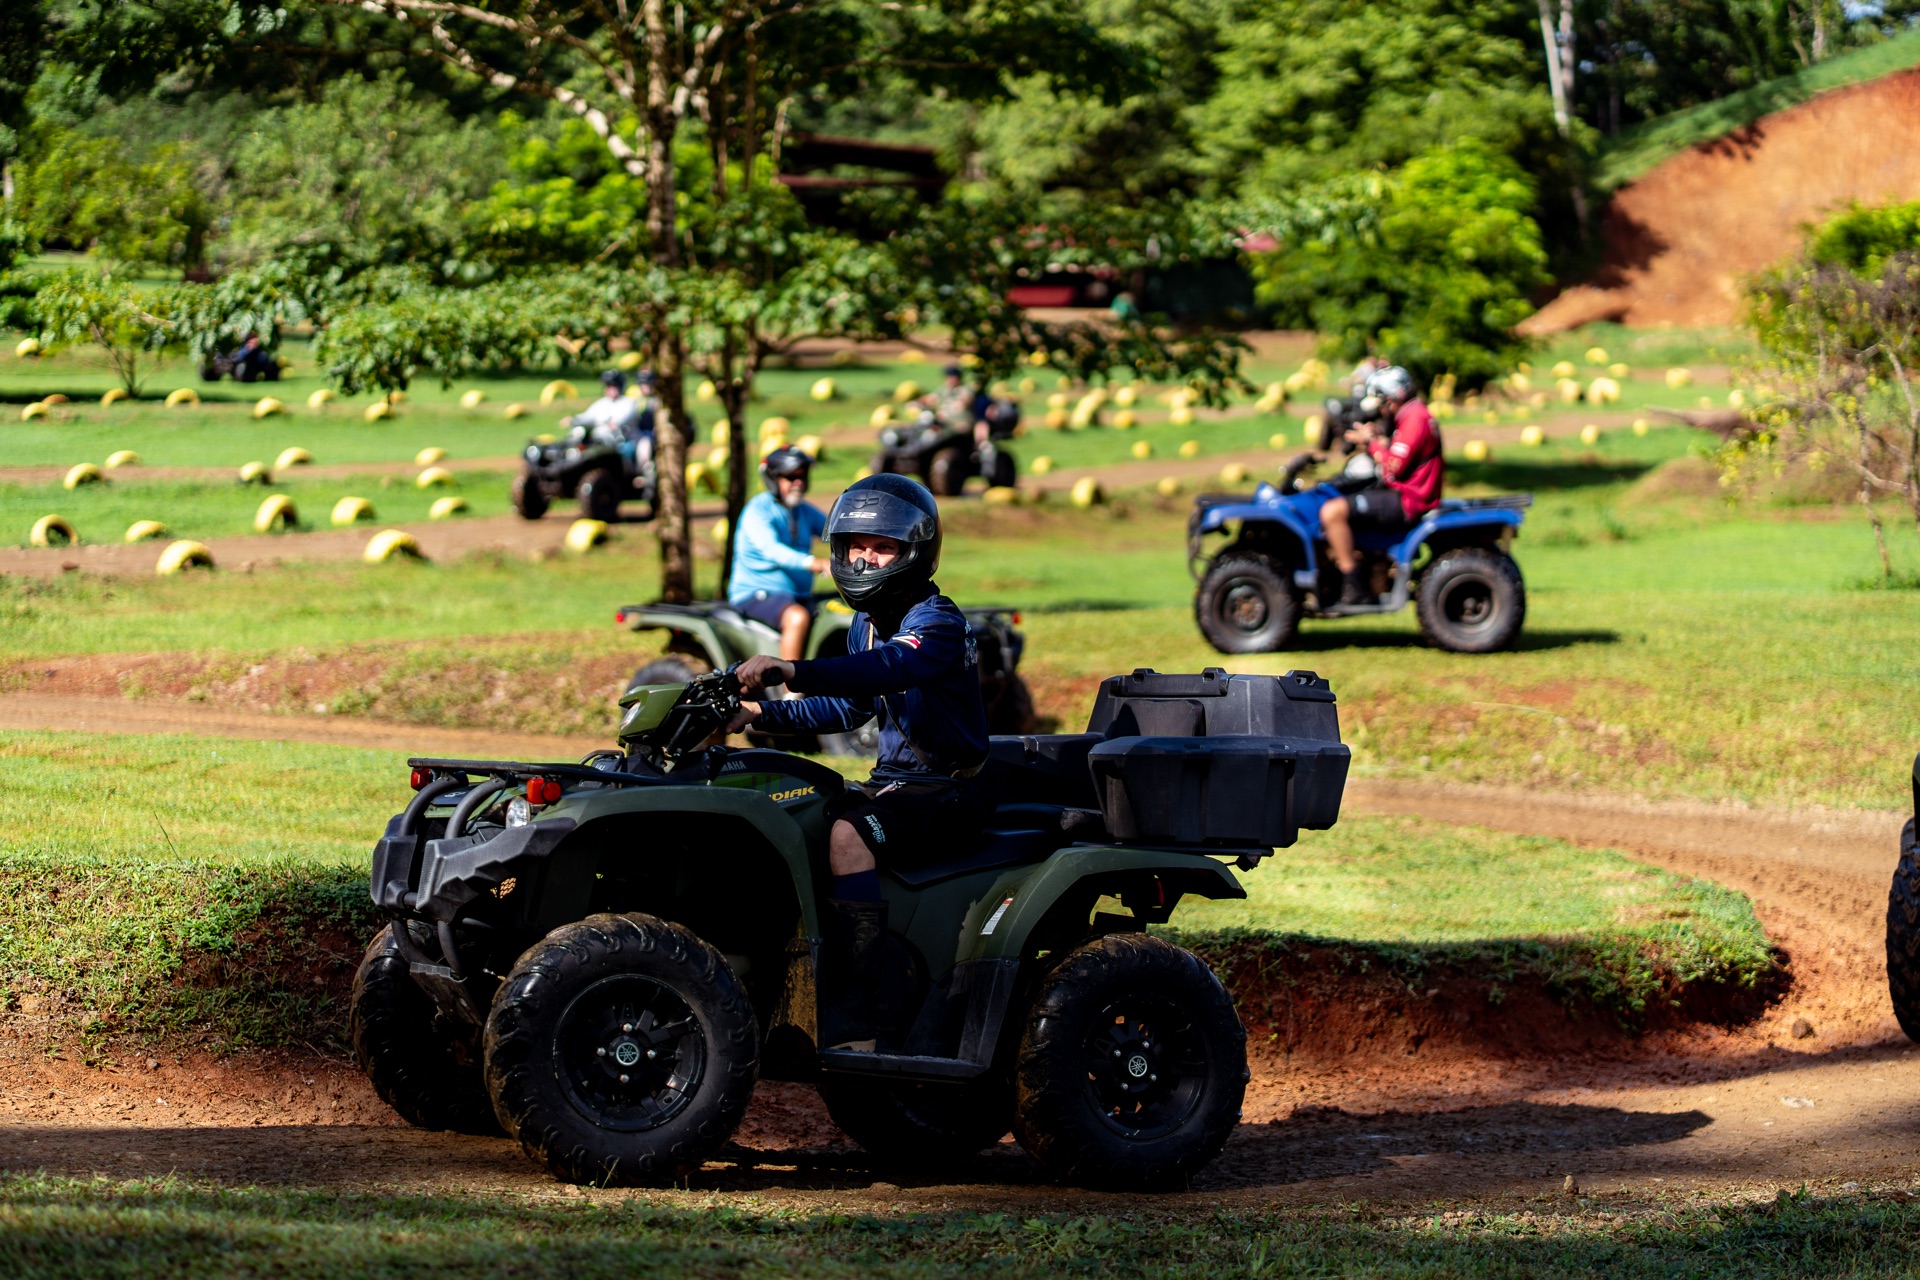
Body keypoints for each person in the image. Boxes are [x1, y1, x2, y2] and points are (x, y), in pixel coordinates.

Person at [728, 475, 991, 1051]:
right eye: (855, 546)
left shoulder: (936, 623)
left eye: (883, 547)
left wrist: (794, 670)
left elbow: (889, 670)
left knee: (848, 836)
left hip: (944, 793)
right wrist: (756, 714)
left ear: (914, 553)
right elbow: (848, 707)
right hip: (892, 785)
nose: (865, 558)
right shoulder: (864, 624)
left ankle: (860, 1013)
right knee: (796, 816)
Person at [1317, 365, 1444, 605]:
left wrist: (1371, 442)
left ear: (1391, 398)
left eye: (1381, 401)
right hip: (1409, 494)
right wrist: (1377, 440)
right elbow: (1404, 454)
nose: (1381, 409)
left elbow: (1393, 466)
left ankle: (1353, 584)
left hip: (1409, 499)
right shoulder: (1413, 415)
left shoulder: (1415, 418)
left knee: (1331, 512)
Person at [728, 446, 830, 662]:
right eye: (791, 477)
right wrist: (814, 563)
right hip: (756, 593)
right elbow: (772, 550)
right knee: (797, 618)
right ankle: (790, 691)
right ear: (773, 479)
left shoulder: (802, 510)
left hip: (797, 595)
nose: (798, 483)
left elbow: (833, 530)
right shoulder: (758, 510)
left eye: (802, 476)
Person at [567, 370, 654, 468]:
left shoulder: (628, 403)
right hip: (601, 439)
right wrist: (574, 420)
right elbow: (588, 416)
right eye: (609, 386)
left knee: (640, 449)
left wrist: (615, 423)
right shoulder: (602, 403)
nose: (611, 390)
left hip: (622, 441)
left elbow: (624, 417)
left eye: (614, 386)